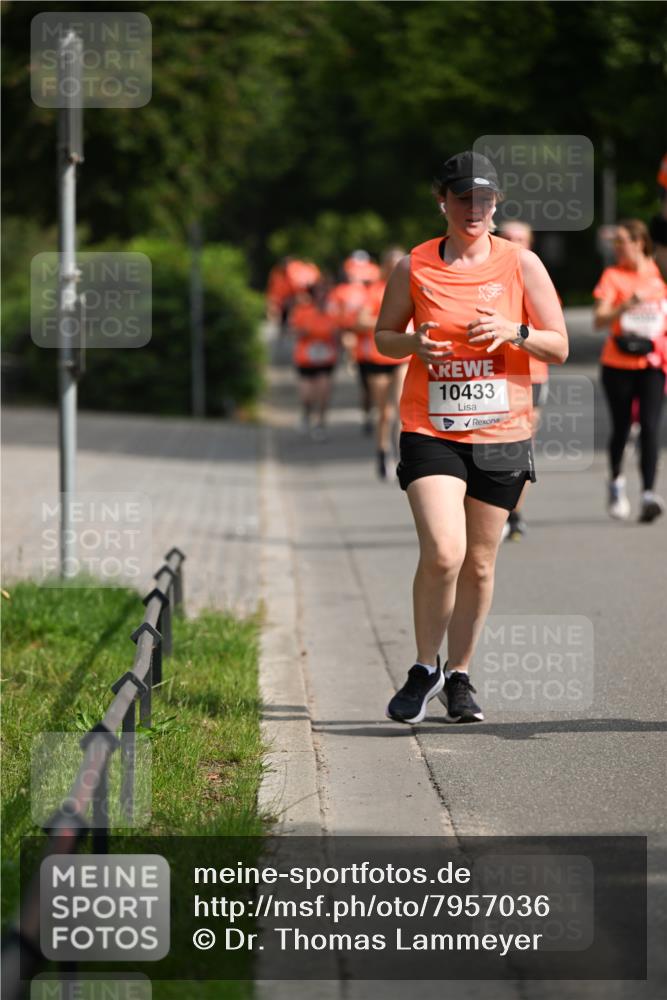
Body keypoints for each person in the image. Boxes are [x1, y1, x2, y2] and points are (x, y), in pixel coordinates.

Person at [375, 151, 567, 725]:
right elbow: (384, 337)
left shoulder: (521, 264)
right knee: (443, 551)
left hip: (503, 430)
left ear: (496, 204)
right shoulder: (415, 267)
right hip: (431, 426)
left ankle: (459, 674)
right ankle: (422, 667)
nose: (474, 210)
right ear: (443, 201)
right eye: (463, 199)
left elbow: (557, 344)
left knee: (480, 563)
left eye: (484, 200)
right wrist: (415, 346)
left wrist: (515, 330)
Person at [593, 219, 667, 522]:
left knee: (650, 427)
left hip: (653, 362)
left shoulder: (658, 273)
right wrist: (626, 305)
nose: (617, 247)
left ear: (639, 241)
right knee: (622, 427)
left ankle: (649, 494)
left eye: (622, 240)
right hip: (618, 363)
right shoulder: (612, 276)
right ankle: (616, 483)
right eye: (615, 241)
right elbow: (599, 320)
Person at [497, 220, 551, 540]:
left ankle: (514, 513)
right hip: (491, 375)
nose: (515, 244)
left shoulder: (537, 278)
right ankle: (489, 509)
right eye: (509, 239)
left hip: (531, 374)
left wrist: (516, 331)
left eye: (521, 239)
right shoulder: (480, 275)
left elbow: (553, 334)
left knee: (520, 445)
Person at [353, 247, 411, 478]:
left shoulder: (412, 287)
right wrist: (387, 322)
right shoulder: (375, 290)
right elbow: (360, 321)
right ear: (385, 267)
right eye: (392, 264)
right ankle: (382, 451)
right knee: (384, 412)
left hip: (403, 356)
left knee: (400, 408)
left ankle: (400, 456)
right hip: (378, 357)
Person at [330, 251, 381, 435]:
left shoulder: (374, 291)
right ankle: (368, 414)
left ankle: (381, 416)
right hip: (359, 339)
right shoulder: (343, 290)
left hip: (379, 345)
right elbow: (337, 313)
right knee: (367, 387)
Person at [289, 278, 339, 440]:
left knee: (323, 392)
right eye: (319, 294)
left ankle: (320, 423)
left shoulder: (333, 313)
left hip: (326, 359)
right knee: (307, 395)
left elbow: (339, 333)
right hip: (306, 359)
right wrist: (305, 332)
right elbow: (294, 331)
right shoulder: (302, 311)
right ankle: (306, 414)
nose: (322, 297)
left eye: (324, 294)